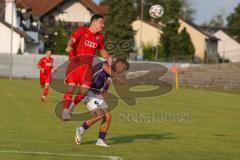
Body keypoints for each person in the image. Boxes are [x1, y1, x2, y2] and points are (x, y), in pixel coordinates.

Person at [62, 14, 112, 121]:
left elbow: (102, 50)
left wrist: (108, 57)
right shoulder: (81, 31)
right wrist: (69, 45)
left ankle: (72, 106)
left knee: (84, 91)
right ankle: (65, 110)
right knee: (71, 86)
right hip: (75, 65)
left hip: (87, 68)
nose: (103, 25)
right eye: (101, 22)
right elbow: (72, 39)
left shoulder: (100, 37)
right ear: (94, 22)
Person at [73, 58, 129, 147]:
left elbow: (106, 87)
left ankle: (100, 140)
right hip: (87, 90)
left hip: (97, 93)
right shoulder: (105, 64)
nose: (122, 71)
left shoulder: (111, 75)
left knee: (108, 117)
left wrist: (103, 96)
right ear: (119, 65)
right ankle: (80, 130)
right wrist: (119, 79)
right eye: (123, 69)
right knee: (100, 114)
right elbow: (108, 69)